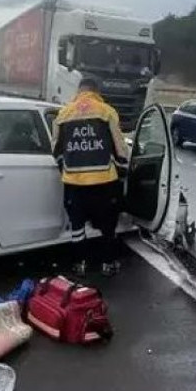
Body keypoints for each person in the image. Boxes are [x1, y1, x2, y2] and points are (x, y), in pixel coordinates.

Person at [52, 78, 129, 276]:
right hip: (104, 181)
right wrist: (122, 168)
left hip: (74, 184)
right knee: (107, 226)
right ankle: (107, 264)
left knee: (77, 226)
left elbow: (56, 148)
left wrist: (66, 169)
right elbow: (120, 147)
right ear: (96, 91)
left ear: (79, 91)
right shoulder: (106, 111)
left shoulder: (64, 113)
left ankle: (80, 264)